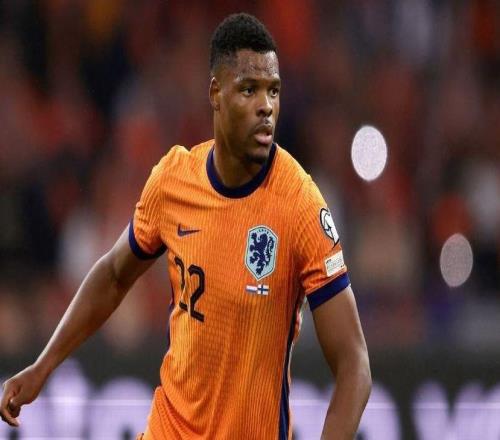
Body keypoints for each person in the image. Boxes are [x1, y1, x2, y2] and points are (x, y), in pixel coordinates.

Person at [0, 13, 371, 439]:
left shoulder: (300, 203)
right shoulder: (174, 179)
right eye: (248, 89)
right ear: (216, 93)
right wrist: (43, 366)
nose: (266, 106)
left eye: (273, 90)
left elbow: (354, 364)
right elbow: (114, 274)